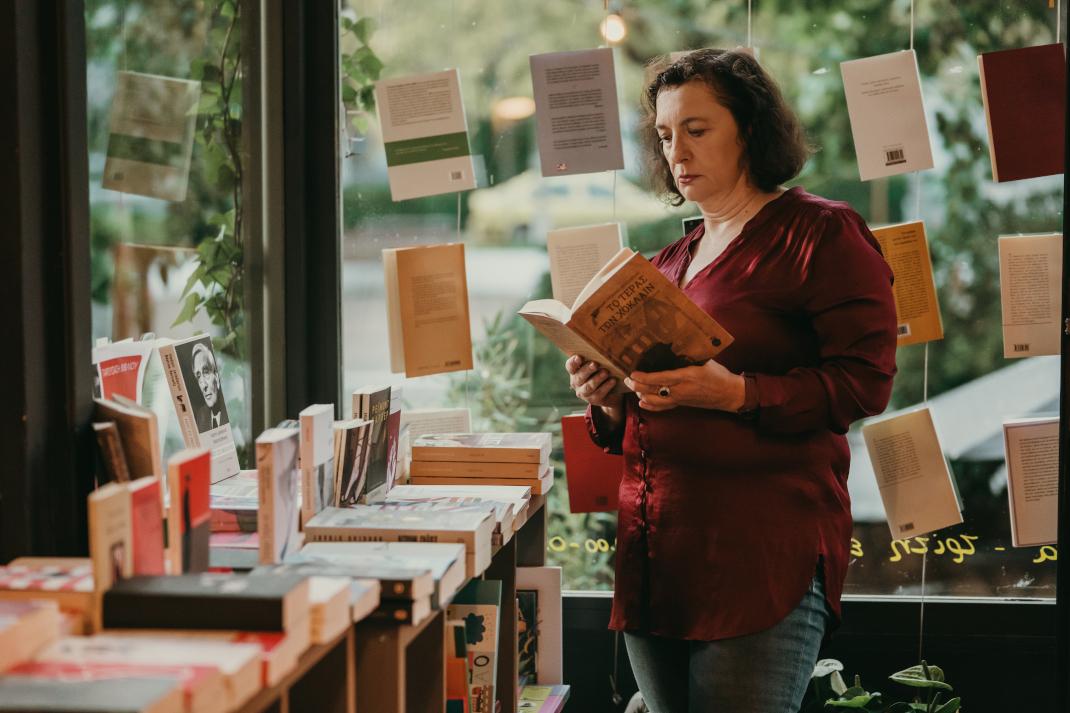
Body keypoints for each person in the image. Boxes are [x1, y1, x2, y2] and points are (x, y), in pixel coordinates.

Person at [566, 48, 898, 713]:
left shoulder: (820, 234)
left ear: (748, 127)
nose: (677, 150)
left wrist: (739, 392)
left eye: (697, 128)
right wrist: (606, 401)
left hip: (760, 556)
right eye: (664, 135)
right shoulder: (667, 261)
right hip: (656, 558)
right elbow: (653, 408)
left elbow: (864, 383)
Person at [191, 342, 228, 431]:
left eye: (206, 372)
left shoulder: (230, 408)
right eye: (198, 376)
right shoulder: (201, 416)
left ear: (216, 375)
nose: (203, 385)